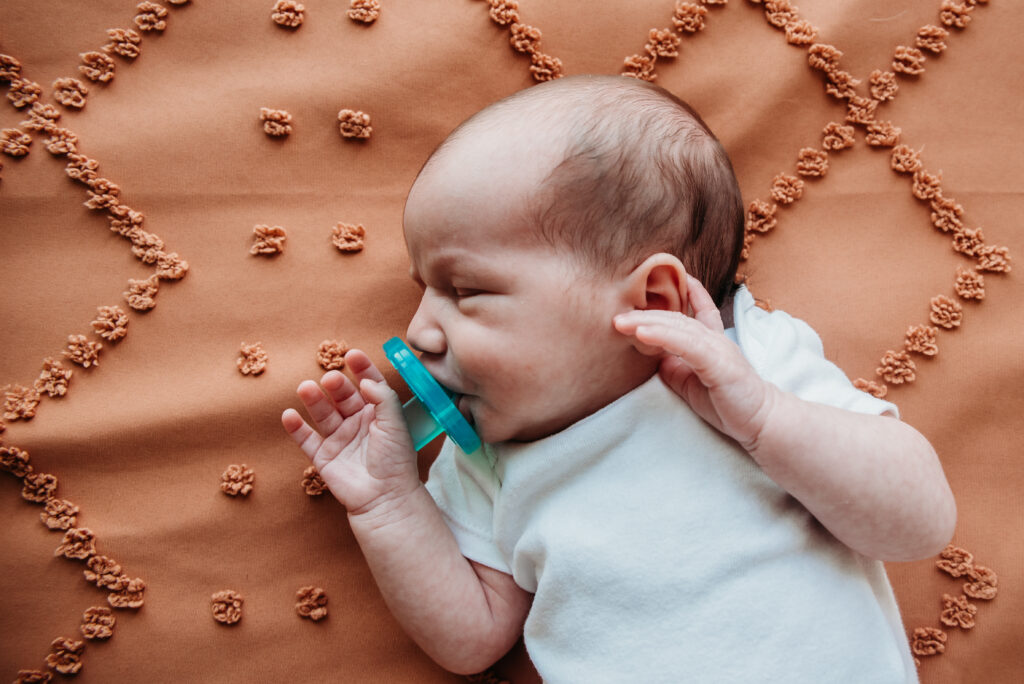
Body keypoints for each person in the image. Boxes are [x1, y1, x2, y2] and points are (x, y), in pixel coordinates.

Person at [281, 75, 955, 682]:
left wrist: (766, 418)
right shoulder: (485, 457)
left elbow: (919, 525)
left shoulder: (747, 356)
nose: (421, 330)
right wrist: (388, 505)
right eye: (424, 290)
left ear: (653, 302)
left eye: (466, 289)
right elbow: (471, 640)